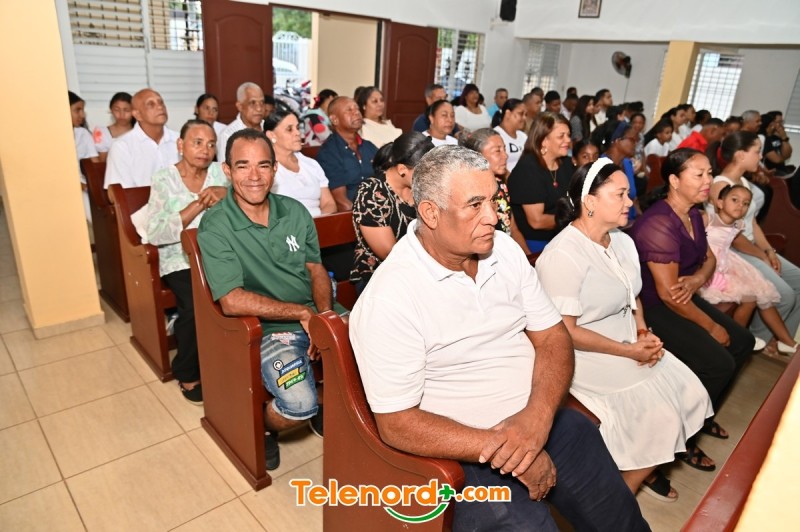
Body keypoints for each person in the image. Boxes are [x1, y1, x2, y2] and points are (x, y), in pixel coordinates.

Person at [349, 145, 650, 531]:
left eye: (493, 200)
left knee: (620, 515)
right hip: (461, 449)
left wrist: (535, 422)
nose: (493, 216)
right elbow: (397, 423)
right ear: (430, 213)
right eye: (475, 205)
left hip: (538, 415)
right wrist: (512, 449)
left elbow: (553, 338)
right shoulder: (390, 295)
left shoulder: (503, 251)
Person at [536, 159, 712, 502]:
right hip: (583, 354)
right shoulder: (563, 255)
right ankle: (620, 500)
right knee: (662, 416)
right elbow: (565, 332)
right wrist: (628, 351)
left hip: (626, 337)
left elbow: (632, 295)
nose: (630, 202)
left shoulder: (621, 241)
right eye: (619, 194)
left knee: (690, 392)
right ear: (590, 201)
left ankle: (639, 469)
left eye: (628, 194)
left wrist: (643, 332)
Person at [198, 128, 341, 470]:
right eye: (243, 166)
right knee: (299, 405)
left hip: (316, 313)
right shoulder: (216, 225)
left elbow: (315, 268)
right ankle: (262, 426)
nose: (254, 176)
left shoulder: (294, 211)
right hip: (269, 330)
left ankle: (335, 407)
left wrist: (322, 316)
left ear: (275, 169)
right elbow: (231, 300)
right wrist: (301, 314)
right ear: (227, 170)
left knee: (378, 358)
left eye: (263, 165)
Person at [631, 148, 755, 471]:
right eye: (699, 175)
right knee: (719, 363)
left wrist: (699, 277)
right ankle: (681, 438)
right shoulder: (659, 223)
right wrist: (711, 327)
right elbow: (668, 295)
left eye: (709, 173)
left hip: (682, 296)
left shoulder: (695, 214)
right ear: (674, 180)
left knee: (743, 342)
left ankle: (702, 414)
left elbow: (709, 258)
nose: (708, 181)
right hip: (654, 307)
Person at [144, 119, 228, 404]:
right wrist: (194, 207)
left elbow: (248, 206)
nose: (205, 149)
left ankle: (230, 362)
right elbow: (155, 232)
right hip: (179, 259)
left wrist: (227, 194)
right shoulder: (163, 179)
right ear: (180, 145)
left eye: (211, 144)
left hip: (221, 254)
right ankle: (187, 371)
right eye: (197, 142)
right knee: (195, 304)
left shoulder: (220, 173)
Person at [711, 132, 800, 355]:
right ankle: (756, 340)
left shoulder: (743, 183)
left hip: (752, 247)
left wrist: (769, 250)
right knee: (784, 295)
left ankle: (780, 342)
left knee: (799, 280)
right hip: (733, 250)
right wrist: (762, 256)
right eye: (757, 151)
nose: (760, 157)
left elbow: (753, 223)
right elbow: (733, 235)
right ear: (740, 155)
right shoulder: (720, 185)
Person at [700, 184, 798, 356]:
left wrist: (765, 255)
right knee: (751, 297)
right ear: (720, 203)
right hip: (708, 267)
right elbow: (693, 240)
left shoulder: (737, 225)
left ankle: (786, 341)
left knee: (760, 294)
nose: (740, 205)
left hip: (725, 264)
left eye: (745, 204)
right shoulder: (708, 219)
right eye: (735, 200)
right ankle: (740, 338)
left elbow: (741, 242)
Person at [350, 132, 434, 293]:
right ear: (402, 169)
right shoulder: (371, 192)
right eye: (423, 172)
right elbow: (390, 254)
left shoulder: (423, 188)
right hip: (380, 276)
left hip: (424, 269)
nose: (429, 177)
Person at [508, 112, 576, 253]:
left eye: (568, 135)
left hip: (564, 235)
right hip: (536, 243)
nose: (568, 140)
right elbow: (537, 221)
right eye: (561, 136)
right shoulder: (527, 169)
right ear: (544, 140)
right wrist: (576, 219)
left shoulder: (567, 164)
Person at [460, 128, 531, 255]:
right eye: (497, 151)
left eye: (504, 149)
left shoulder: (500, 185)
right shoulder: (469, 195)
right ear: (478, 156)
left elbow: (513, 229)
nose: (505, 156)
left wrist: (527, 258)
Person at [264, 109, 336, 217]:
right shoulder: (265, 168)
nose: (298, 133)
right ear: (271, 135)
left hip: (319, 223)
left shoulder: (311, 164)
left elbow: (329, 204)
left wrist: (317, 222)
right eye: (289, 129)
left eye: (297, 128)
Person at [104, 88, 179, 189]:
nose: (160, 107)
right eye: (151, 104)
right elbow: (121, 193)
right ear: (137, 115)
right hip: (141, 199)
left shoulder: (180, 140)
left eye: (161, 102)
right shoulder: (122, 146)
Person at [316, 96, 379, 211]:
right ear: (334, 119)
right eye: (349, 110)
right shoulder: (329, 153)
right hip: (353, 213)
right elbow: (342, 203)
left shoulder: (369, 147)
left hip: (379, 207)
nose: (356, 112)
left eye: (357, 109)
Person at [216, 82, 267, 161]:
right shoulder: (227, 135)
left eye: (262, 102)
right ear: (240, 106)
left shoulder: (270, 128)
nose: (259, 108)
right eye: (252, 103)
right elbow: (224, 167)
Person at [69, 91, 99, 222]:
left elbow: (94, 163)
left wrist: (93, 185)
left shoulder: (83, 133)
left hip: (85, 185)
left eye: (83, 110)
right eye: (77, 110)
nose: (82, 115)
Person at [602, 122, 642, 220]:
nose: (635, 143)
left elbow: (634, 199)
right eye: (632, 139)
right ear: (617, 140)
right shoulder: (602, 166)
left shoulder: (627, 164)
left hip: (630, 220)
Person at [93, 91, 134, 160]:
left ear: (134, 111)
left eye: (126, 110)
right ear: (111, 110)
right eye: (117, 110)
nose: (121, 114)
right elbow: (102, 161)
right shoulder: (102, 133)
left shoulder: (141, 133)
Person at [492, 98, 528, 172]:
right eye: (521, 114)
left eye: (526, 115)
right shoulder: (495, 135)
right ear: (508, 113)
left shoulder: (523, 136)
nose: (524, 118)